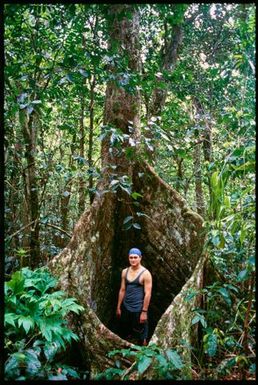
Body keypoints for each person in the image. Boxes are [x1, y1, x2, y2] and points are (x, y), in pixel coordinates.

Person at [116, 247, 152, 346]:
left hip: (138, 309)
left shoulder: (145, 274)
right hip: (126, 307)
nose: (133, 259)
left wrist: (144, 312)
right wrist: (118, 307)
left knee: (141, 334)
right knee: (126, 331)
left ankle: (143, 352)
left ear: (140, 258)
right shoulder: (125, 272)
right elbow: (122, 289)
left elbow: (148, 293)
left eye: (135, 257)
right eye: (131, 257)